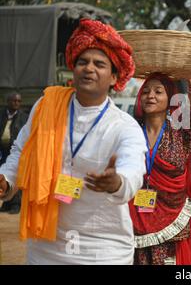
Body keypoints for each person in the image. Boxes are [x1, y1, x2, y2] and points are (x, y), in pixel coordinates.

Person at [0, 18, 147, 264]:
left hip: (103, 251)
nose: (89, 68)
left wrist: (117, 182)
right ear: (73, 69)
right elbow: (21, 151)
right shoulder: (46, 106)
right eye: (82, 62)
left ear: (113, 77)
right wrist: (7, 181)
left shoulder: (124, 126)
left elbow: (134, 169)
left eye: (99, 64)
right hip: (45, 248)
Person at [129, 31, 191, 265]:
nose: (150, 96)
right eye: (146, 91)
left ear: (171, 98)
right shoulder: (128, 130)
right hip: (133, 217)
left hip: (172, 216)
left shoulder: (182, 127)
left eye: (158, 91)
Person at [0, 92, 28, 214]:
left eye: (18, 101)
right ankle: (6, 204)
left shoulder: (24, 117)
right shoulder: (1, 115)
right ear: (8, 102)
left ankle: (16, 205)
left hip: (15, 150)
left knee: (16, 174)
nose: (16, 103)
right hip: (2, 151)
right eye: (14, 101)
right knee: (4, 178)